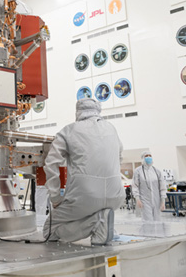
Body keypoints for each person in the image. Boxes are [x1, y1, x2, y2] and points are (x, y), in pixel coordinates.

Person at [43, 98, 125, 243]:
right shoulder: (111, 128)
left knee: (49, 231)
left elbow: (52, 163)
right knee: (91, 209)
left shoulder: (69, 130)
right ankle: (102, 227)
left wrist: (56, 197)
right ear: (98, 110)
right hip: (116, 197)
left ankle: (97, 222)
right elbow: (119, 156)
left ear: (78, 111)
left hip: (84, 197)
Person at [132, 151, 166, 222]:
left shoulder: (157, 171)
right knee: (147, 221)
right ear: (143, 158)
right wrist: (137, 199)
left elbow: (162, 187)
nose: (148, 157)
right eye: (146, 156)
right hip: (144, 200)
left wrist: (163, 201)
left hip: (156, 201)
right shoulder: (138, 171)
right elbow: (135, 186)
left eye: (150, 156)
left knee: (157, 221)